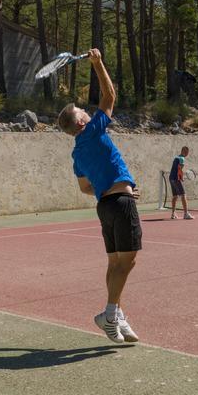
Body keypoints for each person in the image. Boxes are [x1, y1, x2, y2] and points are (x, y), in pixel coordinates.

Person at [57, 48, 140, 344]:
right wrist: (98, 63)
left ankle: (117, 315)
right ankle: (108, 313)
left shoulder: (77, 153)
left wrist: (113, 185)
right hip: (119, 204)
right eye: (83, 113)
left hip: (105, 204)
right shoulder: (92, 131)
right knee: (128, 262)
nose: (87, 113)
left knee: (114, 263)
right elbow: (110, 97)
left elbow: (84, 188)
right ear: (81, 123)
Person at [169, 146, 194, 220]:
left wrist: (181, 176)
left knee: (175, 196)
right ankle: (186, 214)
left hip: (171, 178)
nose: (187, 154)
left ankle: (173, 214)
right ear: (182, 151)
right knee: (183, 195)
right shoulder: (182, 159)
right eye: (186, 152)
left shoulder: (176, 157)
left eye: (187, 152)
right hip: (176, 178)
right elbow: (179, 169)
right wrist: (180, 177)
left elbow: (176, 169)